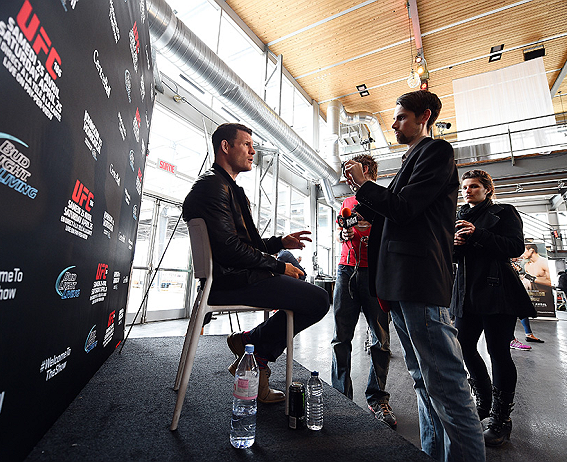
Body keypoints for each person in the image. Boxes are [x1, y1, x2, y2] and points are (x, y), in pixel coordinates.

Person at [344, 91, 485, 462]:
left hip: (419, 279)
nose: (394, 124)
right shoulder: (411, 159)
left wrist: (364, 186)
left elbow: (404, 209)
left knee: (447, 385)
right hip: (400, 282)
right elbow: (394, 215)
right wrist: (363, 201)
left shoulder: (436, 152)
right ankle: (433, 453)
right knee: (423, 381)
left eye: (401, 117)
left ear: (424, 116)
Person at [182, 123, 330, 403]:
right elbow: (231, 250)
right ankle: (255, 349)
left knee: (288, 261)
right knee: (319, 301)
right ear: (225, 147)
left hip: (236, 275)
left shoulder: (225, 186)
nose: (253, 152)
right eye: (247, 145)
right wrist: (277, 267)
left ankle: (251, 342)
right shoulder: (213, 187)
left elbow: (245, 244)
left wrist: (279, 244)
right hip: (230, 282)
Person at [452, 169, 537, 447]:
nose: (468, 190)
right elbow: (455, 256)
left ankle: (501, 420)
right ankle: (484, 401)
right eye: (465, 186)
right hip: (465, 290)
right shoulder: (458, 216)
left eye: (474, 186)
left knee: (498, 352)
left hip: (497, 290)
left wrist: (478, 234)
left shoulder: (505, 212)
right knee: (463, 345)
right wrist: (454, 246)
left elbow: (514, 247)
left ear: (487, 189)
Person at [331, 154, 395, 429]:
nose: (345, 176)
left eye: (349, 170)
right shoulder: (347, 201)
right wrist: (343, 235)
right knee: (340, 338)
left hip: (375, 273)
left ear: (365, 169)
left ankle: (377, 397)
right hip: (346, 270)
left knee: (380, 340)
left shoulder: (384, 197)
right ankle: (339, 397)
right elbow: (342, 231)